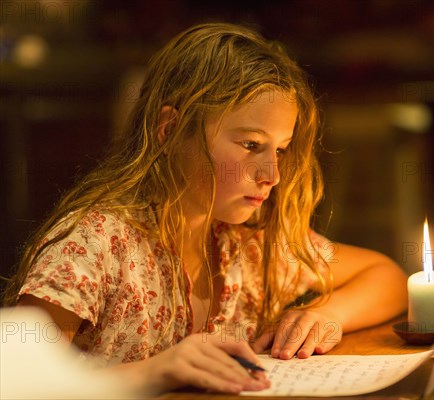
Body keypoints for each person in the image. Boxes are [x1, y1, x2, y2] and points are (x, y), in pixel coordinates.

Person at [3, 23, 408, 395]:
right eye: (250, 145)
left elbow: (385, 276)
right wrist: (153, 371)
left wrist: (325, 312)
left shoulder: (249, 244)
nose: (272, 175)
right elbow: (16, 380)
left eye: (280, 150)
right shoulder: (96, 245)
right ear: (170, 130)